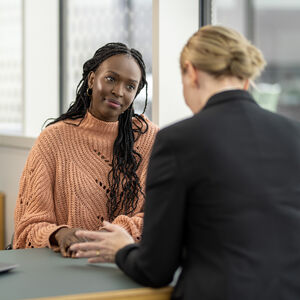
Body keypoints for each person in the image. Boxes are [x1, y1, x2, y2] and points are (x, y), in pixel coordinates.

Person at [70, 25, 300, 300]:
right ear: (244, 79)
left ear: (191, 73)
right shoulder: (293, 135)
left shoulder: (177, 140)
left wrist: (122, 249)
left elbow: (155, 269)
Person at [13, 42, 159, 257]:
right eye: (111, 78)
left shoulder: (151, 139)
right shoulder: (53, 139)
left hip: (126, 263)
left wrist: (115, 234)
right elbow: (28, 226)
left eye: (130, 86)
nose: (118, 91)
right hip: (63, 266)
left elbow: (162, 214)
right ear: (92, 79)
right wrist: (59, 234)